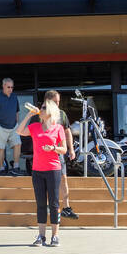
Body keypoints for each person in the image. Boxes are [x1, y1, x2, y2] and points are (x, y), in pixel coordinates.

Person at [17, 97, 68, 247]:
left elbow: (64, 150)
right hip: (37, 170)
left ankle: (55, 236)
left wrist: (53, 148)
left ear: (51, 111)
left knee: (53, 203)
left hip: (53, 170)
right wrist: (29, 115)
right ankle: (41, 236)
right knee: (40, 204)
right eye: (42, 107)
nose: (41, 109)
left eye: (44, 107)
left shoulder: (58, 128)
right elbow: (19, 131)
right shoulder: (35, 127)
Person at [43, 90, 78, 219]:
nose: (58, 104)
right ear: (48, 101)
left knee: (63, 179)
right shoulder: (41, 114)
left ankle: (67, 208)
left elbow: (67, 132)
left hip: (59, 152)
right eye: (55, 101)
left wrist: (71, 149)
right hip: (45, 153)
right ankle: (46, 205)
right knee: (46, 180)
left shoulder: (62, 114)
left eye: (59, 101)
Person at [0, 78, 23, 175]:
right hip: (0, 127)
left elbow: (17, 111)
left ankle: (16, 166)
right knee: (1, 148)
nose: (10, 89)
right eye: (8, 87)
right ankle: (1, 167)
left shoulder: (14, 97)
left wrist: (17, 123)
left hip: (13, 127)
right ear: (3, 86)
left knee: (18, 144)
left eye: (12, 87)